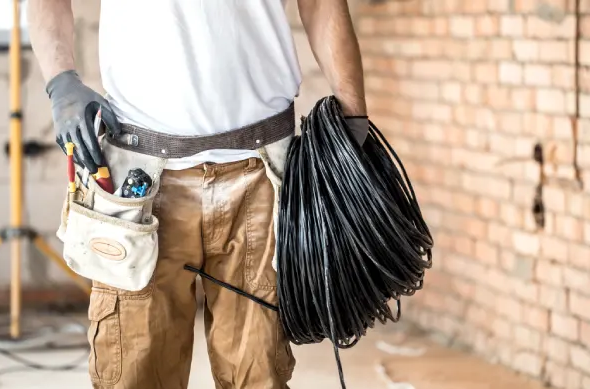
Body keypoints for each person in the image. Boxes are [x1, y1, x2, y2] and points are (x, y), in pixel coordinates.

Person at [27, 1, 368, 388]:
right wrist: (60, 81)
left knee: (259, 375)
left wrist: (354, 118)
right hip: (143, 186)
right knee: (134, 374)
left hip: (262, 178)